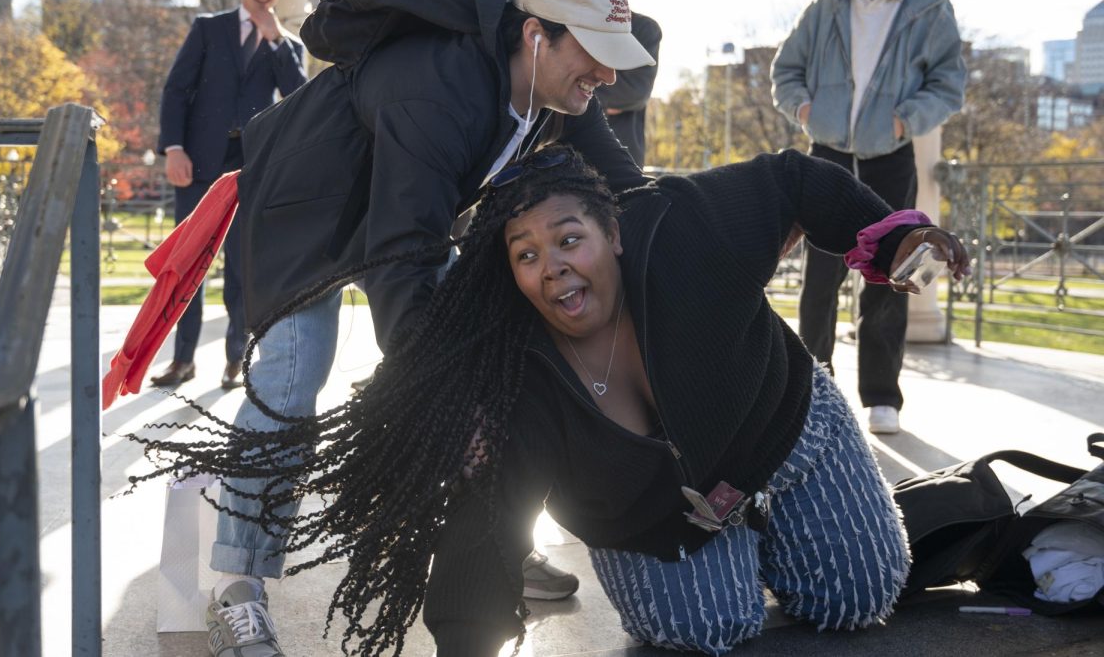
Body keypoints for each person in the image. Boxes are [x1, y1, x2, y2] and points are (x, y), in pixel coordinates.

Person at [132, 145, 969, 655]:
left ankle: (845, 522)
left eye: (569, 238)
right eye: (527, 255)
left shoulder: (678, 226)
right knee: (710, 630)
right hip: (660, 523)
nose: (553, 266)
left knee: (857, 598)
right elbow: (483, 534)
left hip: (781, 431)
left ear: (611, 231)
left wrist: (894, 235)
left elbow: (792, 181)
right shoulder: (512, 376)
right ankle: (745, 553)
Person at [170, 0, 653, 657]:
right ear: (535, 35)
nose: (608, 76)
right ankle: (236, 586)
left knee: (496, 359)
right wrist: (442, 401)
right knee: (290, 382)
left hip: (398, 214)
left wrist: (697, 231)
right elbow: (404, 255)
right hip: (308, 214)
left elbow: (626, 187)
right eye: (595, 53)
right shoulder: (439, 85)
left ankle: (496, 548)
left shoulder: (556, 94)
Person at [770, 0, 967, 435]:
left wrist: (905, 120)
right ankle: (814, 385)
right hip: (828, 151)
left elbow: (949, 83)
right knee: (820, 274)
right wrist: (805, 108)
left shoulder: (926, 7)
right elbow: (785, 70)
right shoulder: (828, 5)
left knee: (894, 270)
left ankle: (883, 396)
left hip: (889, 153)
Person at [152, 0, 307, 391]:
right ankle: (182, 361)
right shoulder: (208, 29)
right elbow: (176, 90)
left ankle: (236, 359)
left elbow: (298, 97)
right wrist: (174, 148)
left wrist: (276, 41)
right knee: (189, 266)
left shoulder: (287, 44)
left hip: (250, 169)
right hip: (197, 165)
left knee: (241, 269)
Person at [579, 0, 661, 167]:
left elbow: (634, 93)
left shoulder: (645, 29)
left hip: (620, 156)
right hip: (566, 151)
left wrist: (577, 88)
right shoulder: (564, 23)